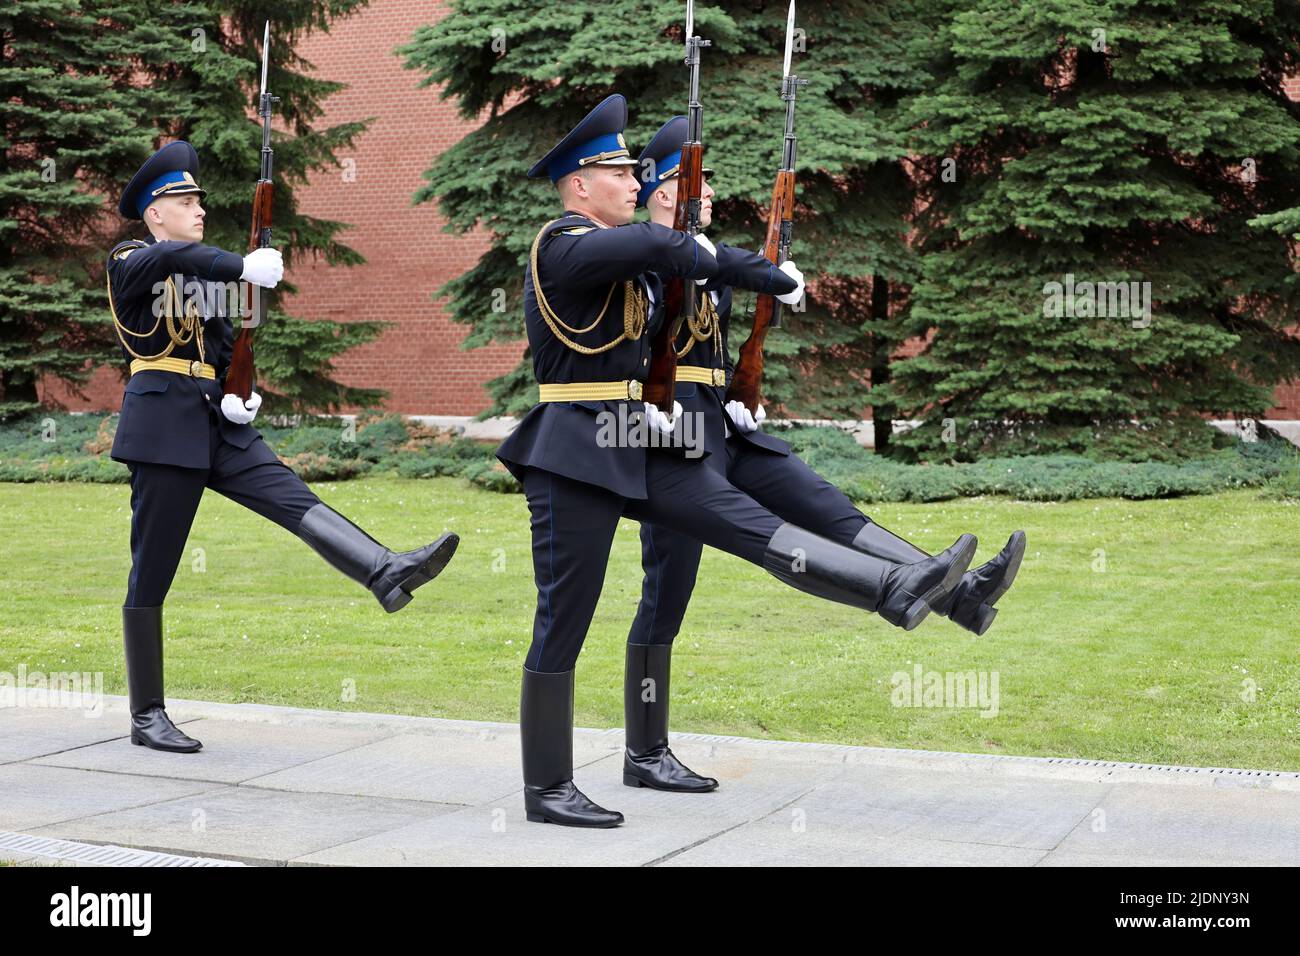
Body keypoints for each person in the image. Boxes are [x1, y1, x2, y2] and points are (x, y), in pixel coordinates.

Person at [497, 96, 978, 828]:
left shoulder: (625, 248)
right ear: (578, 183)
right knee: (565, 613)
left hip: (639, 435)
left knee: (745, 522)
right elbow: (664, 250)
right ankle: (546, 786)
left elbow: (668, 296)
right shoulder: (562, 244)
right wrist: (762, 272)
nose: (633, 182)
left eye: (635, 172)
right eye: (619, 172)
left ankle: (897, 585)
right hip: (573, 449)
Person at [622, 116, 1027, 794]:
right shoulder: (647, 251)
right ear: (664, 192)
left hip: (725, 429)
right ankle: (644, 752)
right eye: (699, 181)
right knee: (667, 592)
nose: (713, 190)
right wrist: (771, 276)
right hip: (670, 440)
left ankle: (960, 593)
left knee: (824, 505)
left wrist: (740, 386)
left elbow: (715, 337)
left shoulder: (707, 252)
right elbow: (676, 309)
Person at [107, 142, 459, 753]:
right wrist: (238, 265)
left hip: (217, 425)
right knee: (154, 569)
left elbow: (221, 346)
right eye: (184, 201)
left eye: (199, 201)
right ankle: (146, 714)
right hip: (162, 429)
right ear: (154, 212)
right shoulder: (131, 259)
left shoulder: (197, 272)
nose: (197, 210)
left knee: (291, 496)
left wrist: (238, 392)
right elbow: (166, 265)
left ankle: (382, 569)